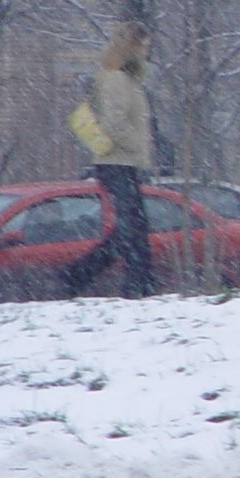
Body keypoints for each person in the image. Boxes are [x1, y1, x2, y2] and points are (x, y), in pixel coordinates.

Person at [64, 21, 157, 298]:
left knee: (131, 228)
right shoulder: (117, 79)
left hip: (123, 162)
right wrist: (139, 146)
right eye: (143, 46)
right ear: (131, 47)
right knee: (132, 229)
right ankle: (135, 286)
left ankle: (83, 276)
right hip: (116, 163)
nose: (146, 52)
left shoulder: (126, 79)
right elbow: (114, 123)